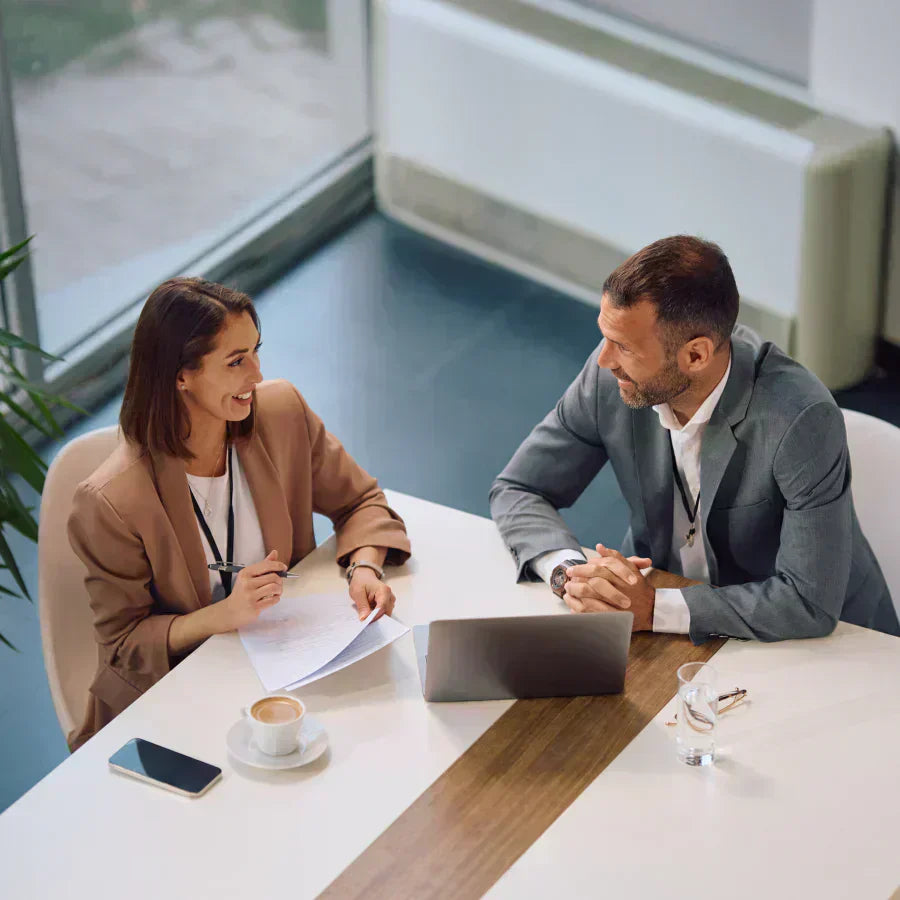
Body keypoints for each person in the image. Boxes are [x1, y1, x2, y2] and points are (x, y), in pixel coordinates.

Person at [490, 236, 898, 643]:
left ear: (696, 356)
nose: (604, 360)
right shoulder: (609, 378)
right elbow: (518, 489)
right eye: (606, 336)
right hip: (672, 620)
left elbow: (809, 603)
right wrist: (570, 575)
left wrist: (654, 608)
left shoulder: (800, 419)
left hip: (822, 644)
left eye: (625, 347)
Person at [67, 278, 410, 750]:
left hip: (290, 674)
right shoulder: (110, 500)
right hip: (180, 705)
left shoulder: (281, 413)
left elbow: (362, 502)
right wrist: (224, 615)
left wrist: (365, 566)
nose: (256, 374)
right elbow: (125, 646)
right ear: (180, 375)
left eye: (255, 352)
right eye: (235, 362)